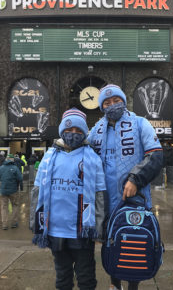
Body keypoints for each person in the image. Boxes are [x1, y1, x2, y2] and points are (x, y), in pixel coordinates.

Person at [87, 84, 163, 290]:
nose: (112, 105)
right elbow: (81, 153)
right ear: (102, 106)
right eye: (107, 102)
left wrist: (135, 179)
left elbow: (156, 154)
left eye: (116, 100)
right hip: (104, 202)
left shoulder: (140, 123)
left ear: (123, 101)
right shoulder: (96, 130)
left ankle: (132, 287)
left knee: (134, 242)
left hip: (133, 200)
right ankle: (114, 284)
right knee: (110, 245)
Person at [32, 108, 107, 290]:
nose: (73, 134)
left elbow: (99, 197)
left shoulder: (93, 159)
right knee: (62, 278)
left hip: (81, 230)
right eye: (69, 129)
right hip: (56, 230)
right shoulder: (48, 158)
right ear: (61, 131)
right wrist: (35, 224)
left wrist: (99, 228)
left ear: (84, 133)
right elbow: (37, 192)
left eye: (78, 131)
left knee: (86, 278)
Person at [0, 153, 22, 230]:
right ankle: (14, 223)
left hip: (3, 190)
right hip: (13, 191)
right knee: (15, 205)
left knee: (4, 207)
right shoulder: (15, 168)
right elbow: (20, 178)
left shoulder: (1, 167)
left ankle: (4, 224)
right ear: (12, 160)